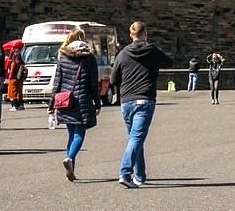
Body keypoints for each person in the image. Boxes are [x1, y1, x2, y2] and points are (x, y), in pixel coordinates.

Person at [110, 20, 175, 188]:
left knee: (135, 138)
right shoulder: (152, 50)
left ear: (131, 36)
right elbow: (170, 62)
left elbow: (113, 79)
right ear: (145, 35)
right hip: (145, 100)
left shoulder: (123, 54)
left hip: (126, 101)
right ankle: (125, 172)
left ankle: (140, 175)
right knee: (137, 138)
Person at [48, 28, 101, 182]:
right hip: (83, 100)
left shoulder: (63, 57)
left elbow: (57, 82)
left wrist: (51, 103)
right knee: (79, 134)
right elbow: (93, 84)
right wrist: (97, 103)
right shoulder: (89, 58)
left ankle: (71, 169)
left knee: (71, 135)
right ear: (83, 40)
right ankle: (70, 159)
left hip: (65, 101)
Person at [5, 42, 26, 110]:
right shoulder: (21, 62)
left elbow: (12, 70)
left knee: (13, 93)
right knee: (19, 93)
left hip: (14, 79)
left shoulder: (14, 62)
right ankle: (21, 105)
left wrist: (10, 77)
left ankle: (14, 106)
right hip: (20, 79)